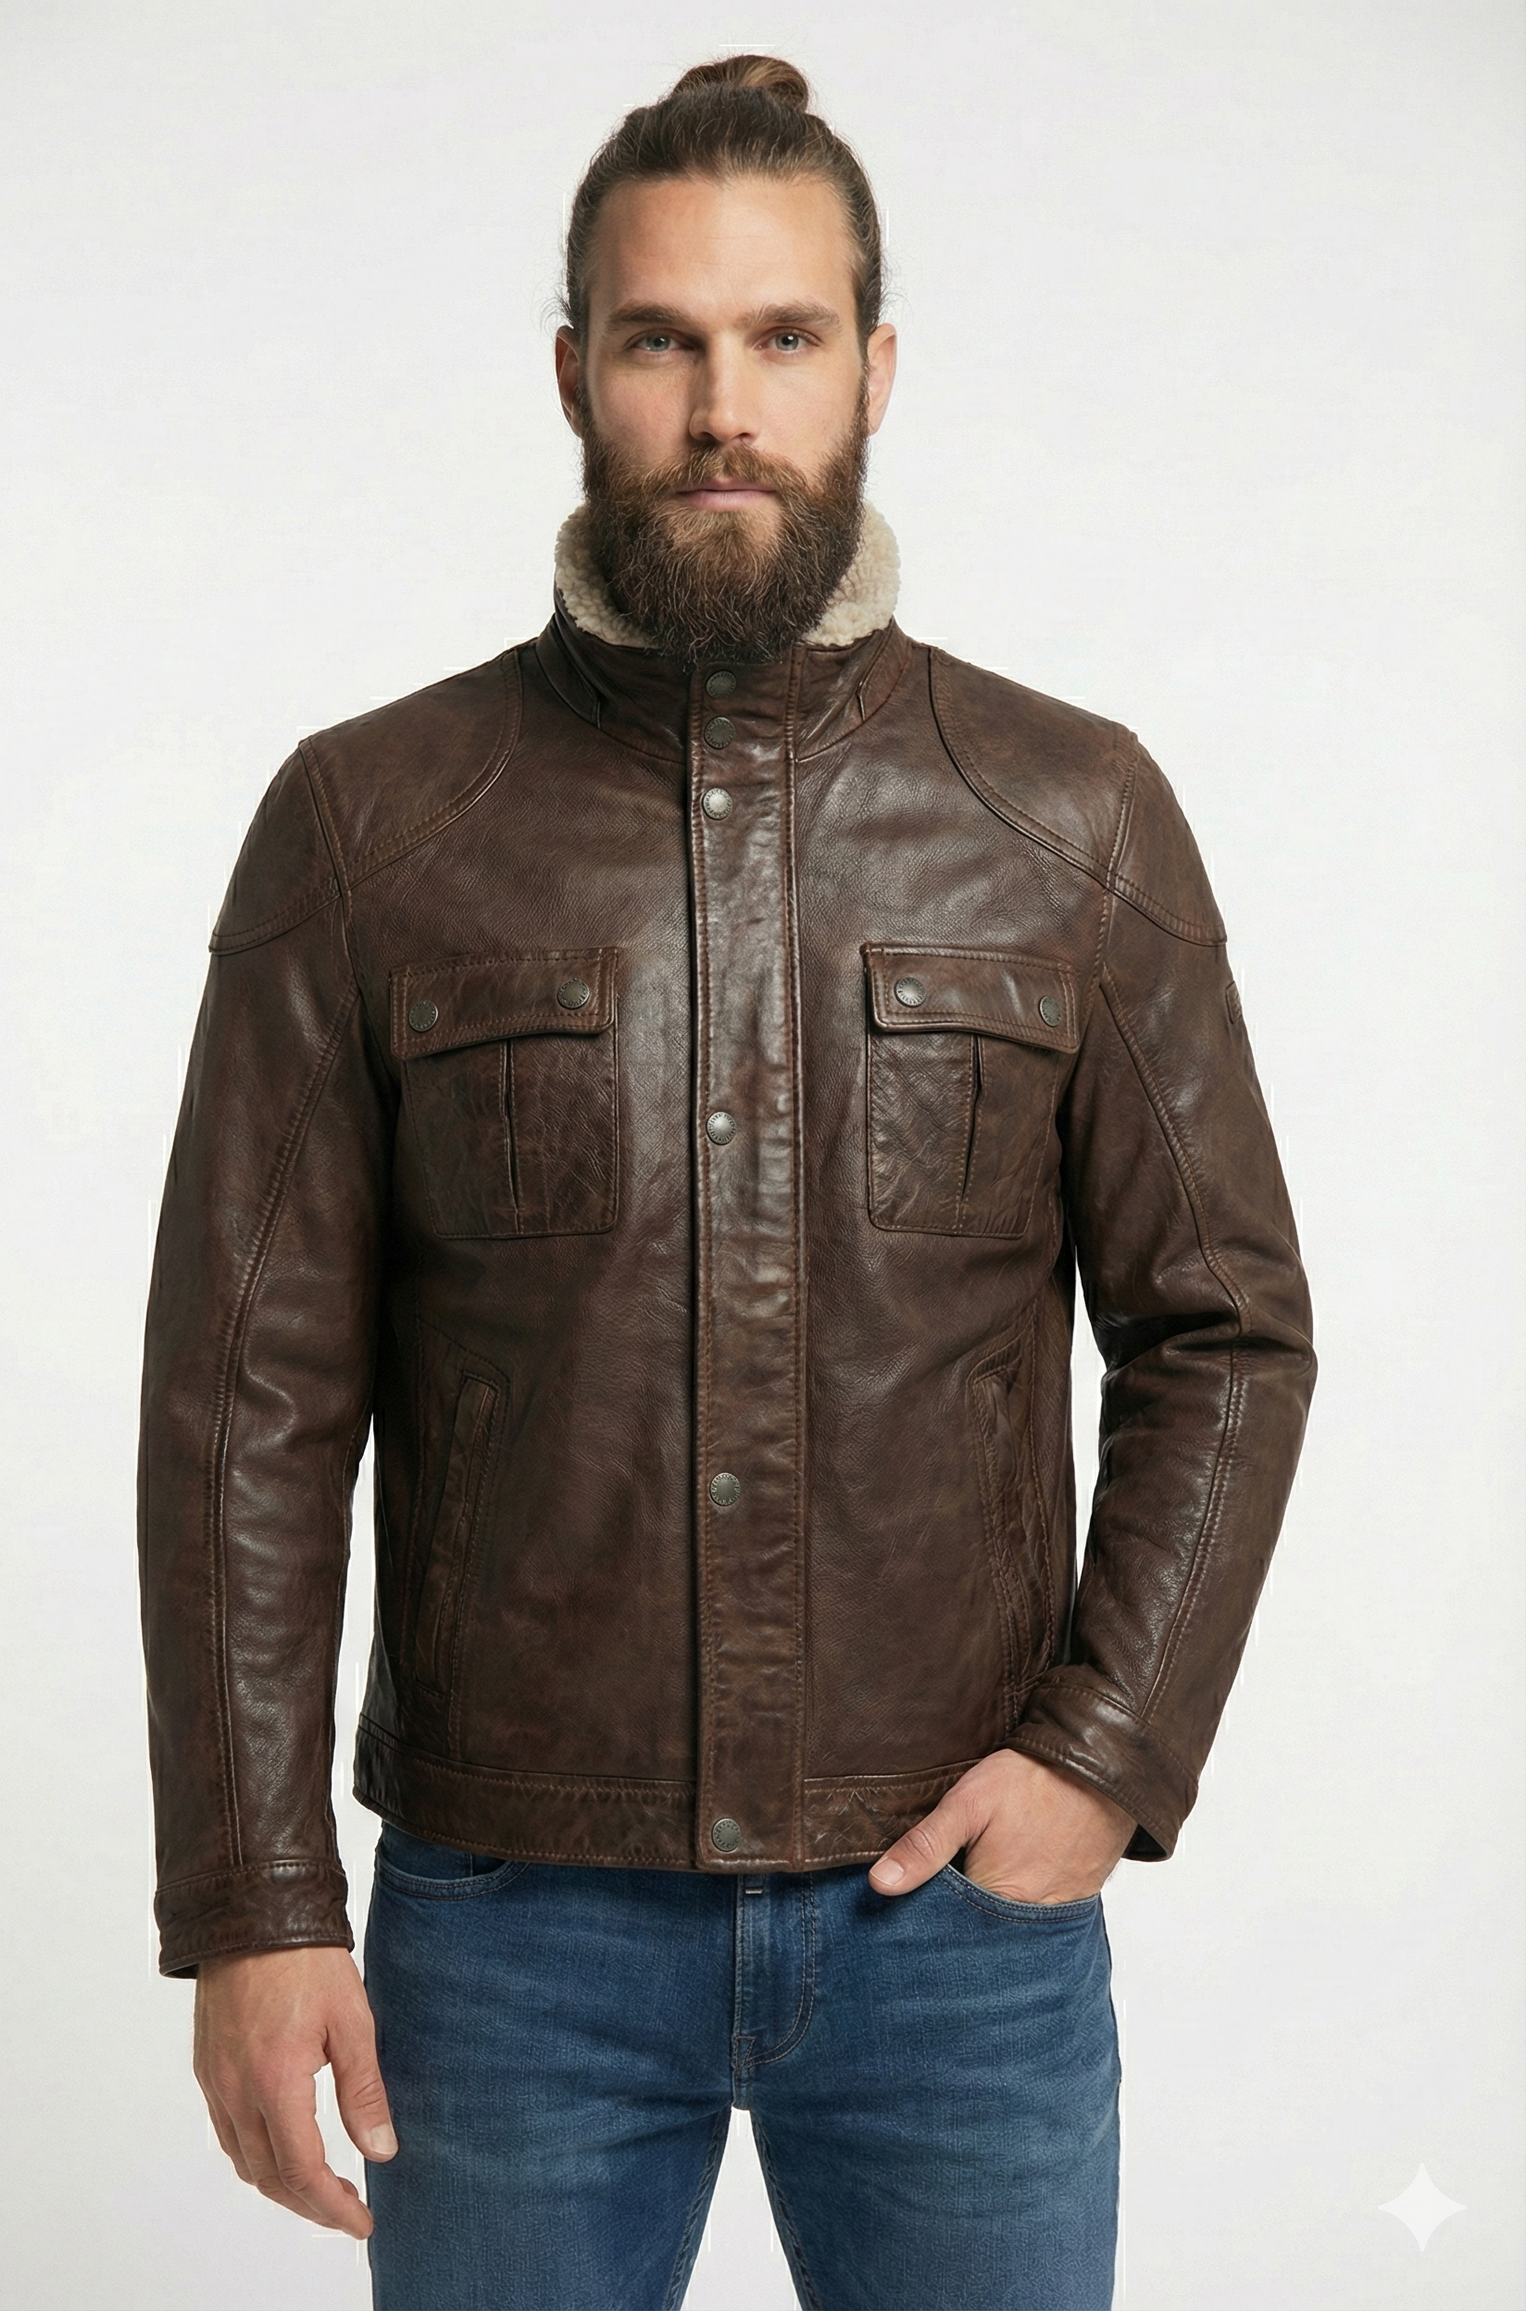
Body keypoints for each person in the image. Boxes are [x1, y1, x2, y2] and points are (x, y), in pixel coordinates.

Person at [138, 53, 1316, 2311]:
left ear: (875, 369)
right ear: (571, 372)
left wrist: (1103, 1753)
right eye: (660, 340)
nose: (720, 409)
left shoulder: (1072, 815)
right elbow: (243, 1399)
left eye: (782, 337)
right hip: (509, 1937)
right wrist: (254, 1899)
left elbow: (1227, 1327)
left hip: (955, 1924)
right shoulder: (368, 823)